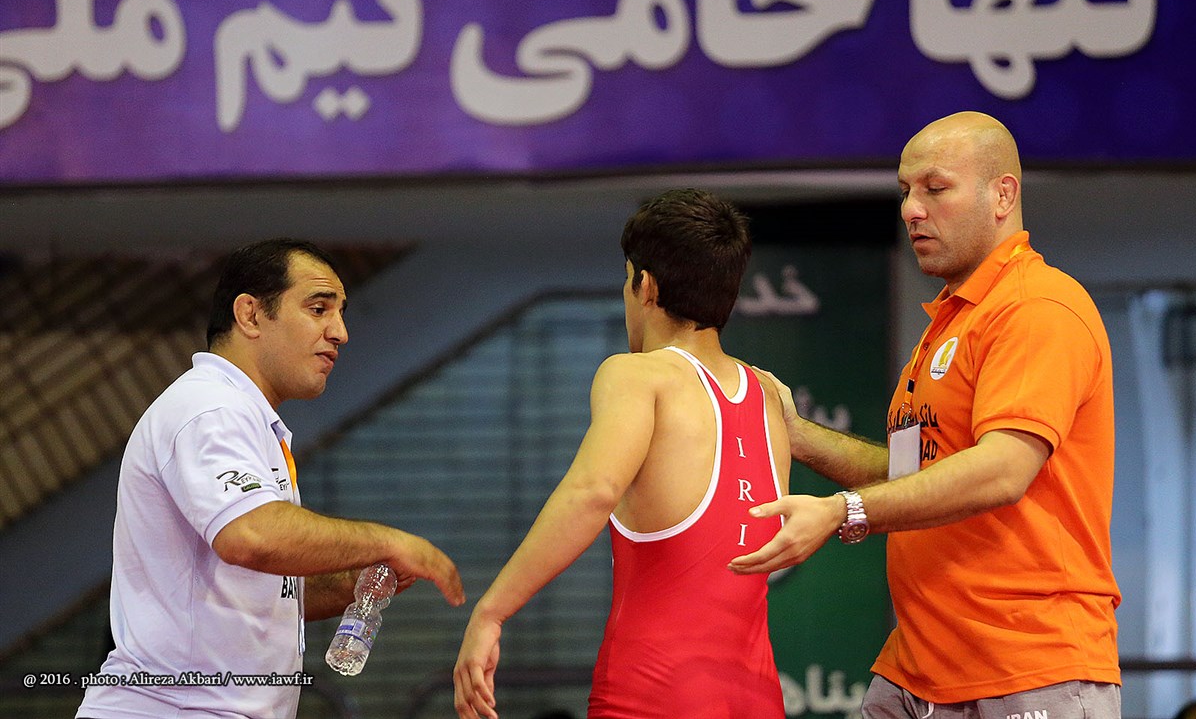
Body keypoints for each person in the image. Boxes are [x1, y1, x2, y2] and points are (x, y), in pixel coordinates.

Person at [730, 111, 1121, 717]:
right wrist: (795, 435)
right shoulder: (951, 320)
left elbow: (1003, 470)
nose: (911, 209)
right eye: (905, 191)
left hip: (1028, 665)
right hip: (918, 668)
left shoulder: (1037, 307)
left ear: (1003, 195)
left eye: (936, 188)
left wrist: (842, 511)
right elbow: (912, 475)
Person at [77, 238, 464, 719]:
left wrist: (351, 582)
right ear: (251, 314)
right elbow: (252, 536)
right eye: (318, 309)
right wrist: (389, 542)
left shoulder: (243, 415)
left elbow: (258, 593)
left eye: (340, 313)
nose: (340, 332)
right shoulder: (210, 407)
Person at [454, 189, 791, 719]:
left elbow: (593, 492)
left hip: (654, 693)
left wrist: (491, 612)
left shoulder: (636, 375)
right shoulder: (768, 395)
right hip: (757, 697)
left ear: (645, 285)